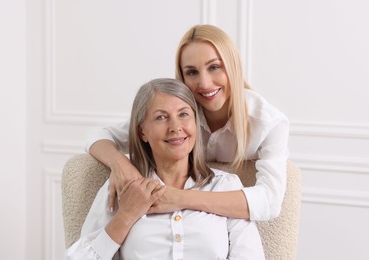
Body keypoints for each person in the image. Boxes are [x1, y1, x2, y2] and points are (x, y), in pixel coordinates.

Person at [86, 24, 289, 221]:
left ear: (233, 66)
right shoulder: (179, 114)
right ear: (182, 77)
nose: (205, 83)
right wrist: (121, 165)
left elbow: (270, 201)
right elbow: (99, 135)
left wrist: (178, 198)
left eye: (214, 67)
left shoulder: (268, 123)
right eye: (192, 72)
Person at [65, 78, 265, 259]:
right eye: (161, 117)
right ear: (142, 131)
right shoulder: (122, 186)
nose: (175, 127)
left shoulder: (225, 186)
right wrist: (126, 216)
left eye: (184, 114)